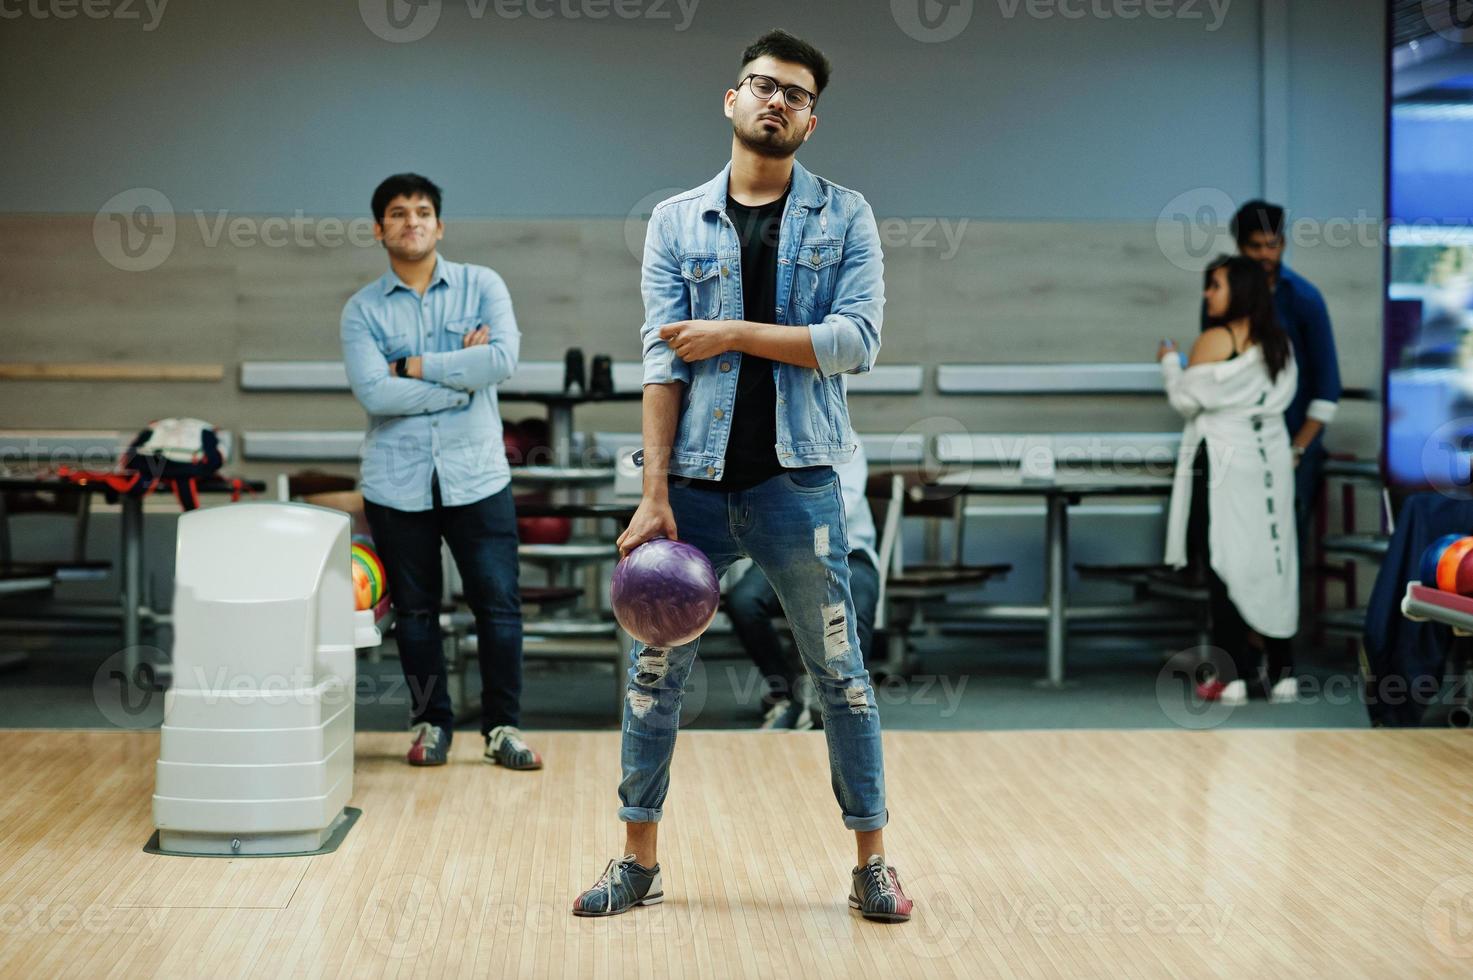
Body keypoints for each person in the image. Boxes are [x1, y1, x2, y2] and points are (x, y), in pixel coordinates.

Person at [572, 30, 913, 923]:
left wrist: (732, 333)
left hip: (797, 484)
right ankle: (636, 861)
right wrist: (652, 497)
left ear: (811, 120)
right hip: (687, 486)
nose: (777, 102)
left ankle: (871, 863)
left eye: (795, 95)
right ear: (731, 99)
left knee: (839, 674)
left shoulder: (845, 216)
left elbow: (857, 343)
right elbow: (660, 364)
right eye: (763, 86)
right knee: (654, 678)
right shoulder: (676, 221)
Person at [340, 173, 542, 771]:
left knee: (498, 606)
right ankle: (431, 723)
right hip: (396, 482)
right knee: (416, 612)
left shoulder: (483, 286)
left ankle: (503, 725)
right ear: (380, 229)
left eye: (423, 211)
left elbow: (502, 359)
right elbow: (375, 395)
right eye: (398, 213)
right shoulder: (361, 311)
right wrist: (460, 382)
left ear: (440, 224)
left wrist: (416, 367)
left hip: (477, 476)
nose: (412, 221)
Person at [1165, 255, 1300, 705]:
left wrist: (1169, 362)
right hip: (1271, 461)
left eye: (1215, 285)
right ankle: (1283, 672)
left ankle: (1237, 674)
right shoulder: (1279, 344)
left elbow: (1185, 399)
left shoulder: (1215, 339)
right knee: (1275, 557)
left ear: (1238, 290)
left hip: (1223, 461)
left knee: (1222, 558)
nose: (1208, 295)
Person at [726, 440, 880, 730]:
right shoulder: (768, 439)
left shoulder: (846, 440)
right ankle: (788, 693)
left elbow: (840, 506)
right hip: (786, 554)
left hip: (849, 553)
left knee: (856, 604)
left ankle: (846, 706)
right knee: (744, 601)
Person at [1217, 201, 1342, 551]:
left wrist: (1296, 449)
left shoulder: (1303, 298)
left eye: (1272, 245)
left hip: (1292, 444)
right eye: (1254, 247)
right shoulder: (1222, 298)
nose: (1264, 255)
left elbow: (1328, 386)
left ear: (1284, 242)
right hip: (1236, 445)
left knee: (1282, 545)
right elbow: (1214, 375)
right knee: (1235, 543)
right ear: (1240, 248)